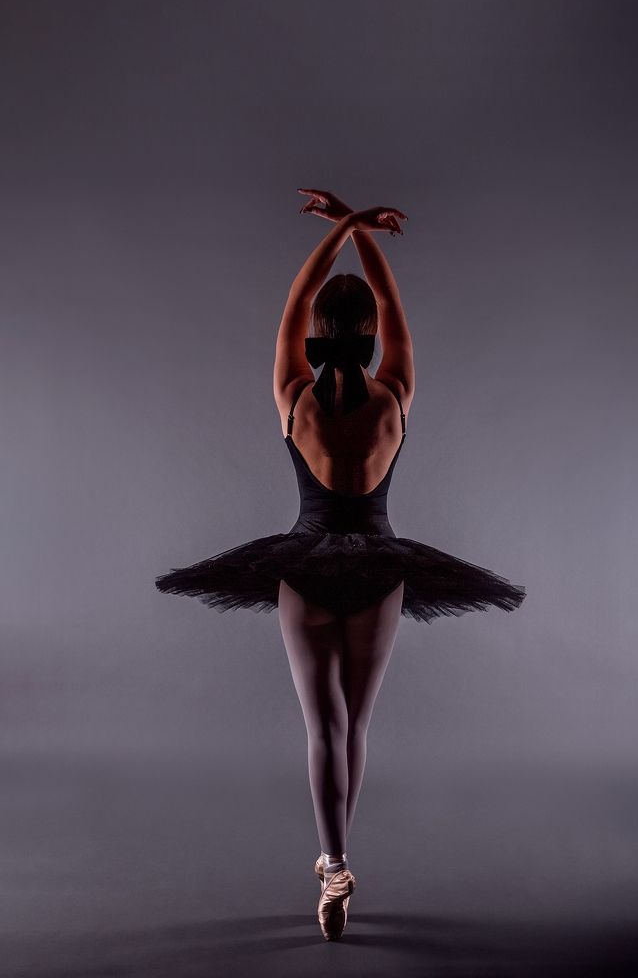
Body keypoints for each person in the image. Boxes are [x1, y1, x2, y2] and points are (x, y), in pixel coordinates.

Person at [155, 188, 526, 941]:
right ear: (375, 333)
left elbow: (295, 305)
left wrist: (341, 229)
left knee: (320, 730)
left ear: (322, 334)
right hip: (381, 571)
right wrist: (361, 228)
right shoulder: (395, 396)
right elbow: (389, 305)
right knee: (356, 726)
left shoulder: (294, 398)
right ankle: (341, 860)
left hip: (305, 567)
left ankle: (334, 862)